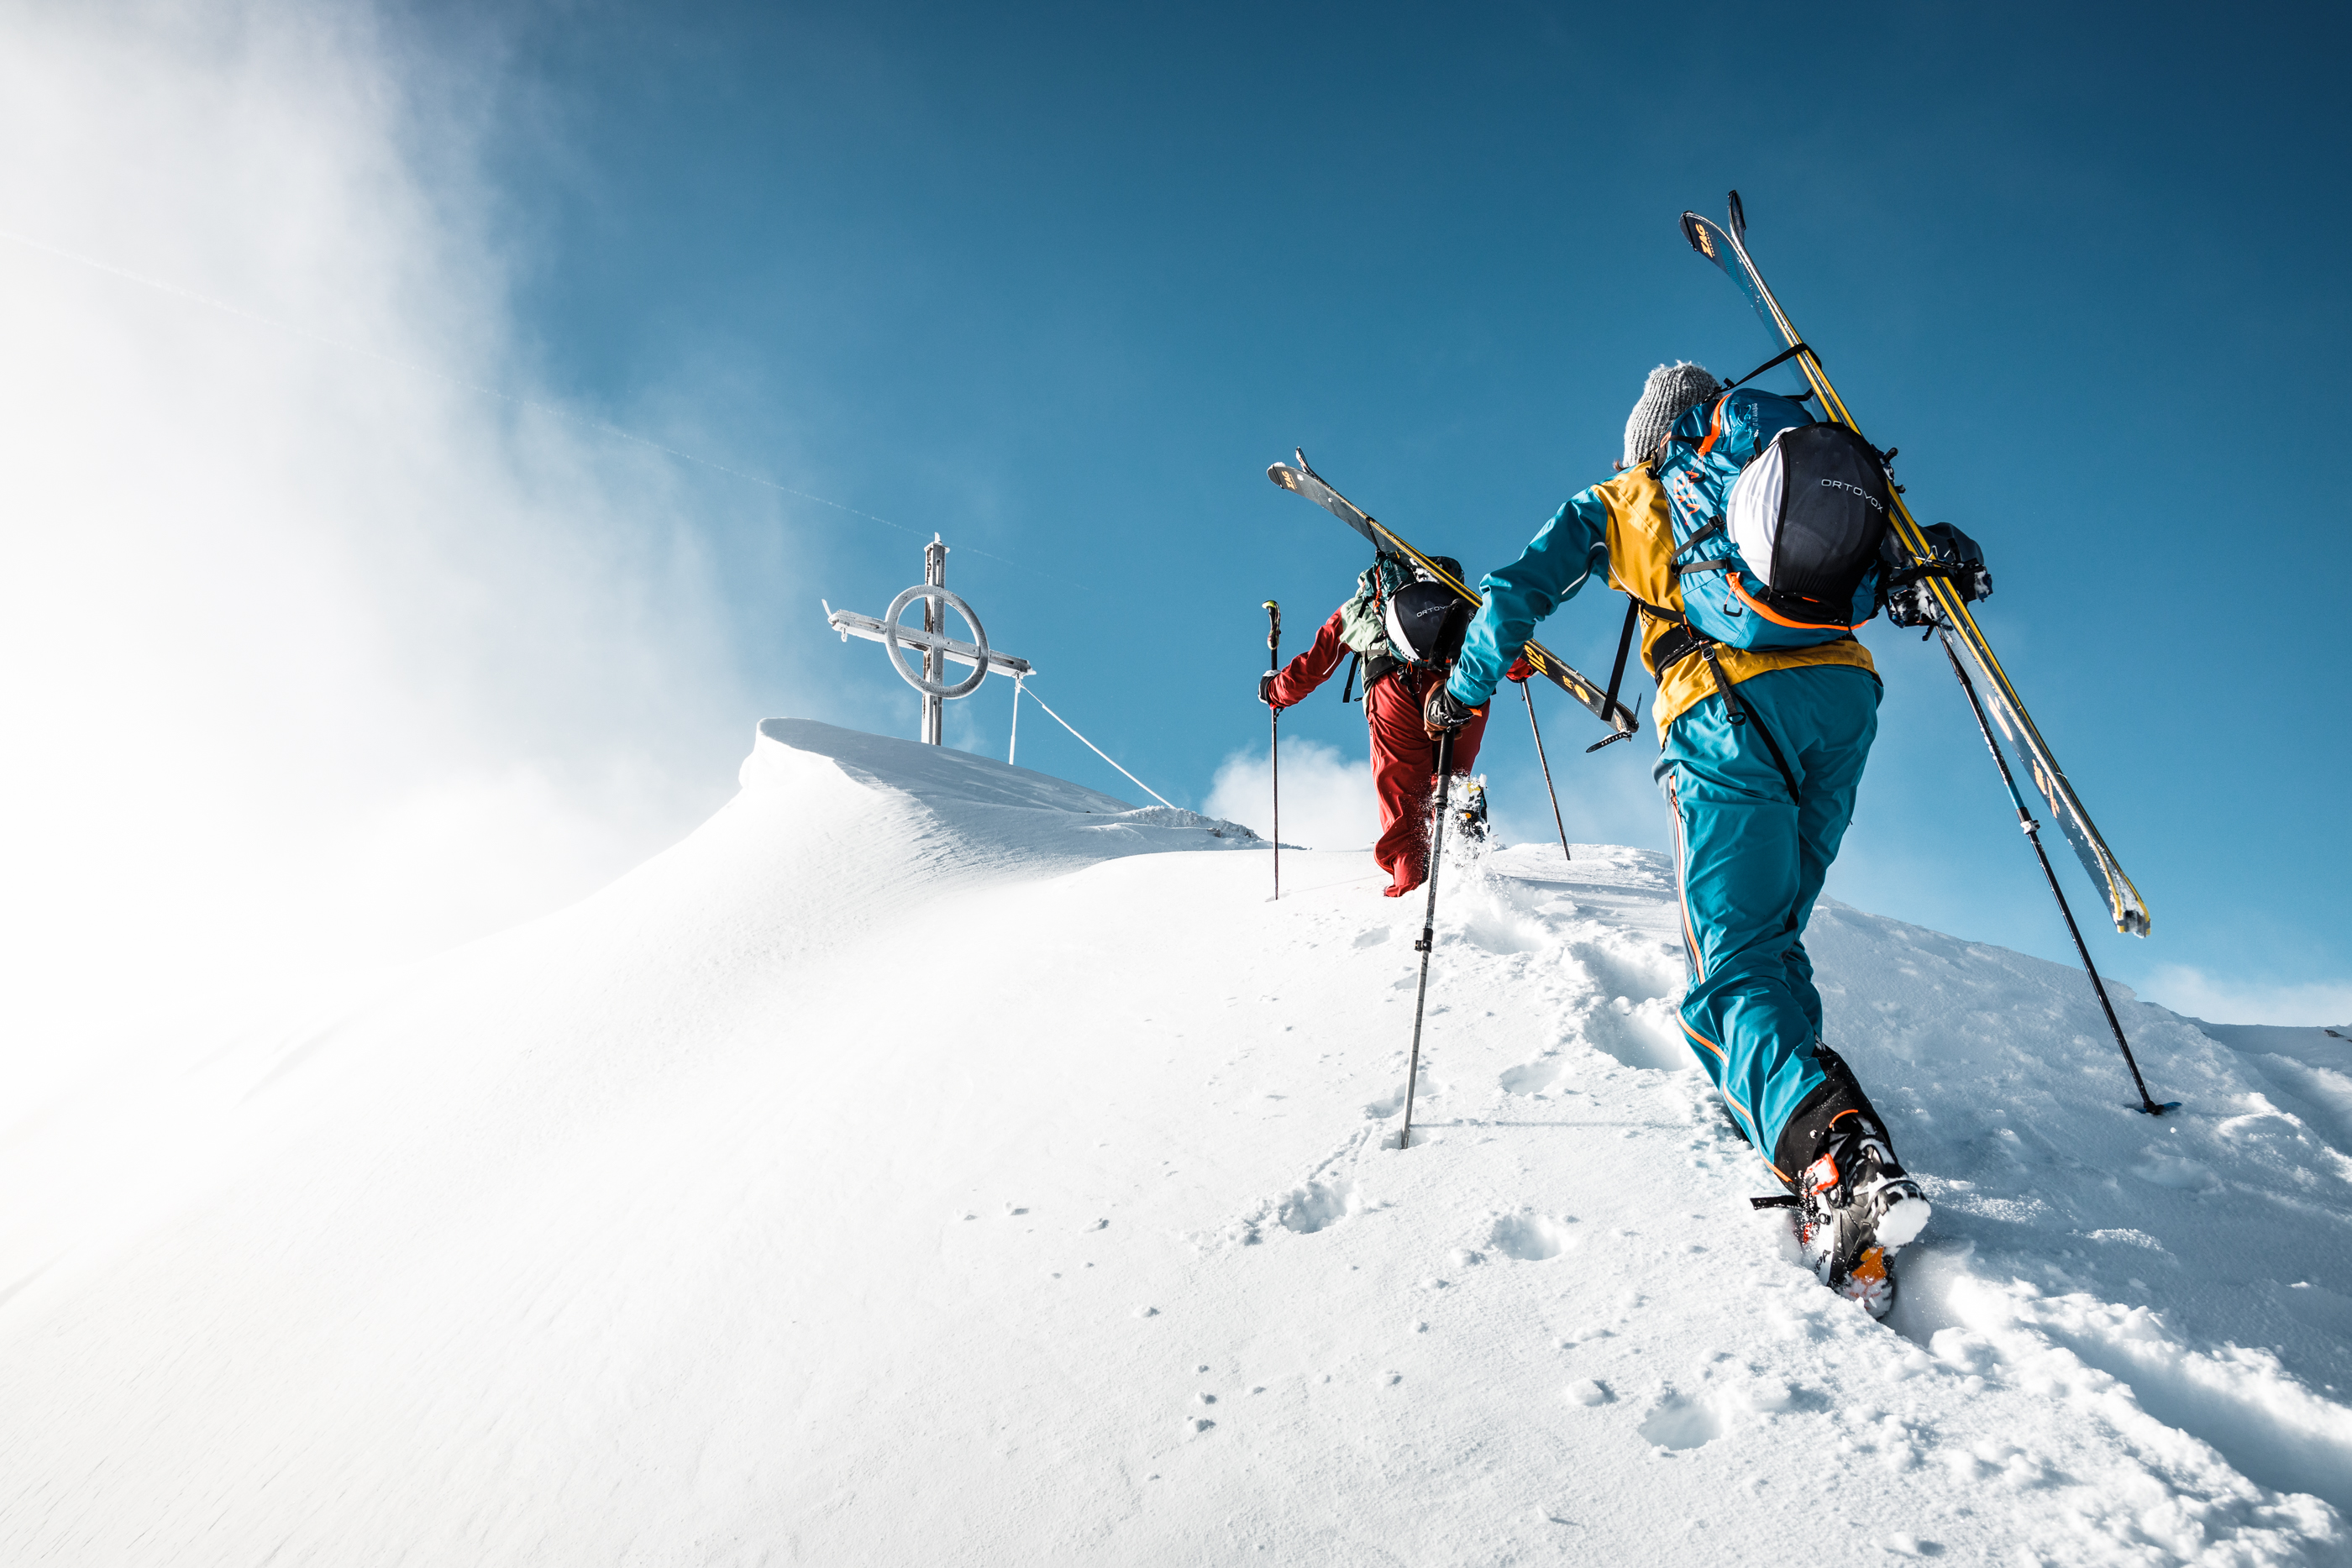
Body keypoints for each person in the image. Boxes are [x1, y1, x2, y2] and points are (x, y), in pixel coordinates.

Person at [1423, 362, 1934, 1312]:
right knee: (1771, 939)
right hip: (1843, 702)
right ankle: (1824, 1120)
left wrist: (1459, 693)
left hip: (1724, 710)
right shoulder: (1781, 447)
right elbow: (1907, 553)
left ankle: (1833, 1155)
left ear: (1643, 439)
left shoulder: (1625, 496)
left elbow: (1512, 593)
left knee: (1729, 972)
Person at [1260, 557, 1491, 898]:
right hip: (1461, 688)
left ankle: (1411, 888)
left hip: (1393, 691)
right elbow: (1499, 640)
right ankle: (1467, 870)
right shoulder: (1461, 598)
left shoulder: (1359, 607)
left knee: (1404, 798)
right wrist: (1519, 669)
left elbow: (1315, 666)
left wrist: (1274, 691)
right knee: (1451, 779)